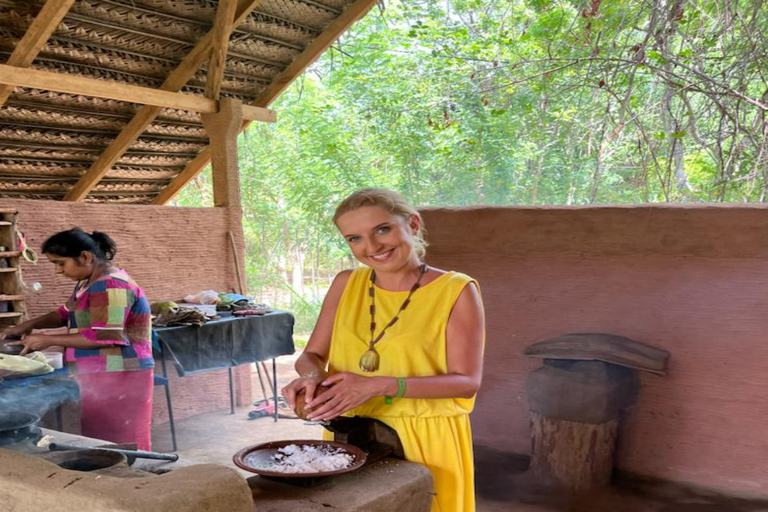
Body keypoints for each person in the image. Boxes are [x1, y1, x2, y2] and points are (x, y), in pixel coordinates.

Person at [282, 188, 485, 512]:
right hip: (350, 430)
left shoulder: (455, 290)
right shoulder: (346, 284)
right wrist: (314, 378)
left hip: (424, 434)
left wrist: (381, 384)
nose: (372, 247)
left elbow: (467, 381)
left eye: (382, 229)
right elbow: (311, 355)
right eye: (354, 238)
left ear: (413, 225)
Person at [0, 228, 154, 450]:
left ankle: (132, 480)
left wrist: (46, 340)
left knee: (122, 438)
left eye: (60, 263)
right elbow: (63, 314)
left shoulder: (110, 284)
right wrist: (27, 325)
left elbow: (106, 337)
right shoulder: (88, 282)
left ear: (85, 257)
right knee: (100, 437)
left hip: (121, 371)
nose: (58, 271)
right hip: (100, 371)